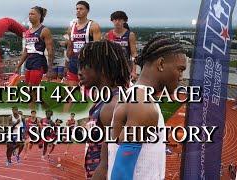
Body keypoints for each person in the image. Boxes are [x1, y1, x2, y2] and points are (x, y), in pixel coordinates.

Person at [104, 36, 187, 180]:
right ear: (161, 64)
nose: (181, 77)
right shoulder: (142, 105)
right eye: (180, 69)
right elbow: (121, 174)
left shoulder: (137, 97)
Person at [77, 40, 130, 179]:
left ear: (103, 68)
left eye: (85, 66)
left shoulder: (112, 105)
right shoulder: (105, 98)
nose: (79, 72)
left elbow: (109, 162)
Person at [64, 1, 101, 112]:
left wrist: (96, 65)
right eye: (77, 9)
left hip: (87, 62)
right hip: (74, 61)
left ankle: (95, 117)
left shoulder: (93, 26)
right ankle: (64, 120)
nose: (78, 11)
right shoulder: (72, 27)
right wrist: (67, 62)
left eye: (81, 9)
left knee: (92, 93)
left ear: (87, 11)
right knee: (70, 92)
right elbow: (70, 47)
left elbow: (97, 48)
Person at [15, 6, 54, 110]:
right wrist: (18, 65)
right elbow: (26, 51)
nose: (30, 16)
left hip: (39, 62)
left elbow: (50, 51)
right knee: (32, 90)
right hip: (29, 63)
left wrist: (50, 69)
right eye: (29, 14)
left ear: (39, 16)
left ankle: (32, 114)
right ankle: (43, 104)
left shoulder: (44, 30)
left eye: (32, 14)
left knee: (30, 91)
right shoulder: (28, 32)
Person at [105, 11, 138, 82]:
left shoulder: (130, 35)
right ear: (112, 21)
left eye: (119, 20)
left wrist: (134, 71)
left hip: (126, 67)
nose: (117, 22)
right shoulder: (108, 35)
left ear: (124, 21)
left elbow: (134, 54)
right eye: (115, 20)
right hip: (112, 68)